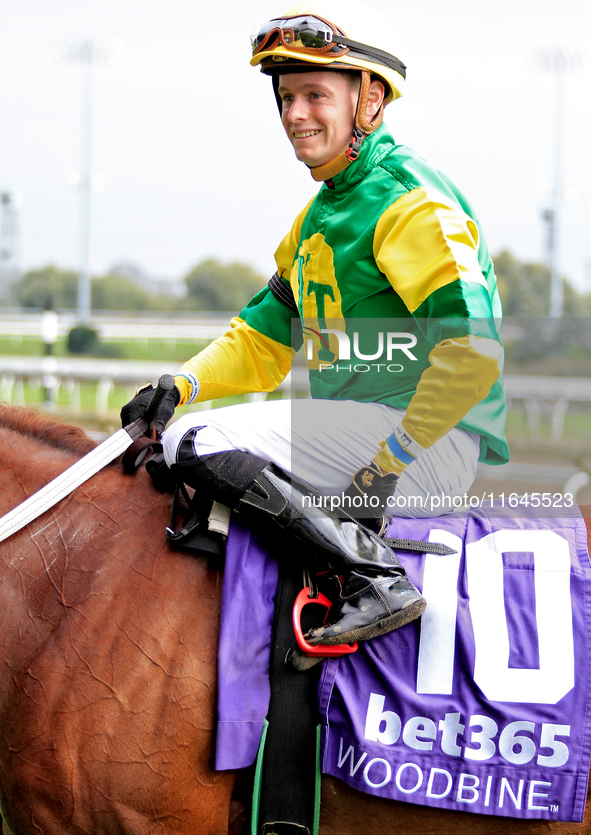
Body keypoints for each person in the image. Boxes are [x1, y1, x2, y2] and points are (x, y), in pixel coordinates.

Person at [121, 1, 509, 648]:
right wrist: (179, 384)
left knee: (197, 443)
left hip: (422, 449)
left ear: (370, 100)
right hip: (366, 438)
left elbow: (473, 352)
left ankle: (371, 575)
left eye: (313, 95)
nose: (294, 115)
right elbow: (261, 339)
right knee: (179, 433)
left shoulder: (407, 200)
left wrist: (389, 462)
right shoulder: (320, 215)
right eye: (285, 98)